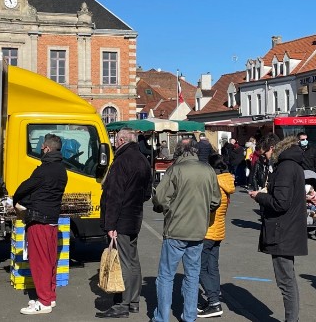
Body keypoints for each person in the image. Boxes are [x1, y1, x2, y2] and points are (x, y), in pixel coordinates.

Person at [151, 140, 221, 322]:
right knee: (192, 275)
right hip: (198, 230)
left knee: (166, 276)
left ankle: (162, 317)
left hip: (176, 229)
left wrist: (167, 207)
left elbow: (159, 197)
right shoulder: (208, 170)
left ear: (179, 152)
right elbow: (215, 200)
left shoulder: (175, 170)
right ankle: (189, 316)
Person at [249, 136, 307, 322]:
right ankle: (292, 319)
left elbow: (280, 202)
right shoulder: (293, 164)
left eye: (265, 154)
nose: (265, 158)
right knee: (287, 279)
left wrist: (259, 196)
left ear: (273, 148)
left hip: (283, 230)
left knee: (285, 281)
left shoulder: (285, 167)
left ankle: (292, 319)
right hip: (289, 228)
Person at [96, 129, 152, 318]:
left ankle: (124, 303)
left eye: (115, 140)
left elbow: (114, 196)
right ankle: (134, 301)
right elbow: (147, 194)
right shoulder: (143, 159)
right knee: (132, 260)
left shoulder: (122, 161)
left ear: (120, 140)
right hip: (134, 216)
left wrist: (110, 224)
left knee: (125, 262)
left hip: (121, 218)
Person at [13, 134, 68, 315]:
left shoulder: (44, 170)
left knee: (40, 262)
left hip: (39, 220)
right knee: (50, 260)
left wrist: (17, 200)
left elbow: (24, 188)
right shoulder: (62, 169)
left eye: (41, 147)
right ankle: (49, 297)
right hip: (52, 220)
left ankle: (43, 302)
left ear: (46, 148)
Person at [197, 155, 235, 318]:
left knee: (199, 267)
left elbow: (209, 205)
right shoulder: (227, 181)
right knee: (212, 267)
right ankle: (214, 297)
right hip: (218, 229)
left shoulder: (214, 183)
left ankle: (213, 301)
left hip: (208, 230)